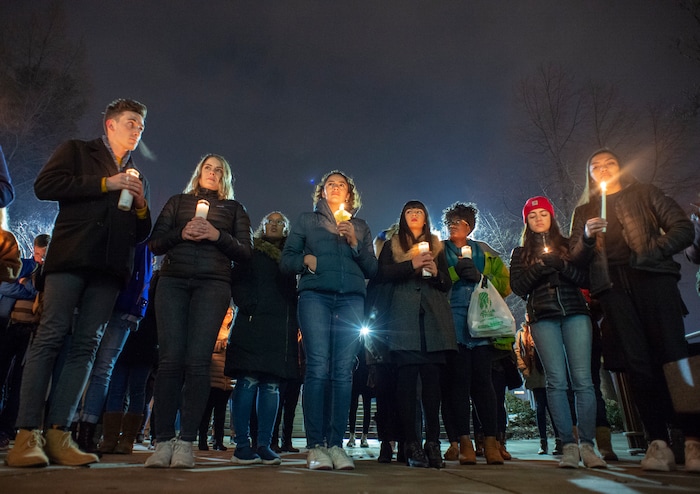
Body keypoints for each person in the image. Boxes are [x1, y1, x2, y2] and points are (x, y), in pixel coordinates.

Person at [6, 98, 151, 468]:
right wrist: (105, 183)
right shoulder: (77, 151)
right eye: (132, 123)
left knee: (87, 346)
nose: (138, 131)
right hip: (71, 258)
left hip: (109, 270)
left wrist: (140, 205)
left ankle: (60, 432)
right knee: (51, 336)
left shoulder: (135, 175)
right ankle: (27, 434)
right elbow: (46, 184)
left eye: (142, 127)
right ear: (110, 125)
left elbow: (140, 234)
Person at [569, 149, 699, 472]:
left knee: (675, 357)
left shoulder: (644, 193)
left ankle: (693, 439)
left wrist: (653, 252)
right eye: (594, 166)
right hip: (613, 291)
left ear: (619, 168)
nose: (602, 169)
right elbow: (573, 260)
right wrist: (586, 238)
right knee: (637, 364)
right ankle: (657, 442)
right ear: (589, 175)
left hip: (653, 281)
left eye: (609, 163)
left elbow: (683, 228)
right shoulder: (584, 211)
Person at [144, 153, 252, 469]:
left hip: (213, 284)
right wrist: (182, 233)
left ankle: (186, 441)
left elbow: (246, 251)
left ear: (225, 178)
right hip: (174, 281)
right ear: (199, 172)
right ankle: (163, 441)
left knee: (197, 361)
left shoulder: (234, 209)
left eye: (220, 170)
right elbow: (155, 243)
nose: (213, 173)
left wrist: (216, 235)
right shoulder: (178, 202)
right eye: (208, 168)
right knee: (170, 360)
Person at [280, 170, 377, 471]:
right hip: (315, 297)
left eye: (342, 185)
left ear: (349, 194)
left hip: (350, 299)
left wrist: (355, 244)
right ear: (322, 192)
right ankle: (316, 445)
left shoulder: (359, 226)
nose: (336, 188)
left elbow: (372, 268)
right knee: (318, 367)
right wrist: (305, 262)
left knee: (342, 371)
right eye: (330, 185)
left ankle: (337, 444)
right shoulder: (306, 221)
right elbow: (286, 260)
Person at [510, 196, 606, 469]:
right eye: (533, 215)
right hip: (543, 318)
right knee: (555, 381)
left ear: (552, 217)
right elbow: (518, 287)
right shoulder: (520, 253)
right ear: (526, 222)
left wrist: (562, 265)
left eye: (543, 213)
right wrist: (541, 267)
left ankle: (587, 445)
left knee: (583, 380)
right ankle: (568, 445)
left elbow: (585, 279)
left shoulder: (569, 246)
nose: (539, 219)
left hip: (576, 313)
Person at [379, 200, 456, 469]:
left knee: (433, 383)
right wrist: (411, 264)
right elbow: (383, 274)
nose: (414, 215)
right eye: (409, 211)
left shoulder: (437, 244)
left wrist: (436, 274)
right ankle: (410, 441)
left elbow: (447, 282)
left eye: (419, 212)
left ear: (425, 218)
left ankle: (432, 441)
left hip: (433, 319)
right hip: (403, 319)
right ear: (403, 217)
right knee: (407, 383)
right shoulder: (392, 245)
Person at [226, 211, 299, 465]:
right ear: (263, 226)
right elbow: (236, 280)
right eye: (270, 221)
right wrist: (248, 304)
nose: (275, 225)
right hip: (253, 324)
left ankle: (265, 444)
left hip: (280, 329)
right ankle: (243, 444)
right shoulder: (252, 252)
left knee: (271, 386)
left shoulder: (292, 258)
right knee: (247, 381)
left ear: (286, 228)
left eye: (281, 222)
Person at [439, 202, 508, 465]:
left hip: (482, 321)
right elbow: (432, 280)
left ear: (470, 226)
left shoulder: (486, 253)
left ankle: (490, 440)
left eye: (459, 221)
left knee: (483, 382)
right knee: (458, 383)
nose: (453, 225)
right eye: (450, 222)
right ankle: (464, 441)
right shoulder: (439, 251)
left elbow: (506, 283)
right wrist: (456, 273)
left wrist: (480, 277)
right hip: (452, 322)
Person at [77, 242, 152, 454]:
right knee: (106, 377)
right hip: (119, 312)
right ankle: (97, 433)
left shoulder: (140, 245)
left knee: (110, 376)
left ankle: (106, 434)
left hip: (131, 325)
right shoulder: (141, 249)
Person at [0, 234, 49, 450]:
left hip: (31, 330)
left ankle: (6, 428)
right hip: (10, 325)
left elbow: (43, 291)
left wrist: (27, 285)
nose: (40, 260)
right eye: (38, 254)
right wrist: (29, 287)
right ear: (33, 250)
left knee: (20, 381)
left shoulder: (47, 270)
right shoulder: (24, 264)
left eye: (44, 256)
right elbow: (5, 286)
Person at [515, 319, 559, 455]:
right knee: (540, 407)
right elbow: (517, 351)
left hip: (547, 371)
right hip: (534, 372)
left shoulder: (543, 327)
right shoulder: (522, 333)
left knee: (553, 407)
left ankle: (559, 440)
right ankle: (543, 441)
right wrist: (524, 369)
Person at [198, 306, 234, 452]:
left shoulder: (232, 329)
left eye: (230, 312)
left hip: (226, 379)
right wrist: (222, 344)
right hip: (212, 376)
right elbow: (205, 346)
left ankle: (218, 440)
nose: (229, 314)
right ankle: (202, 439)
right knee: (206, 410)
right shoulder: (212, 328)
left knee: (220, 412)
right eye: (226, 312)